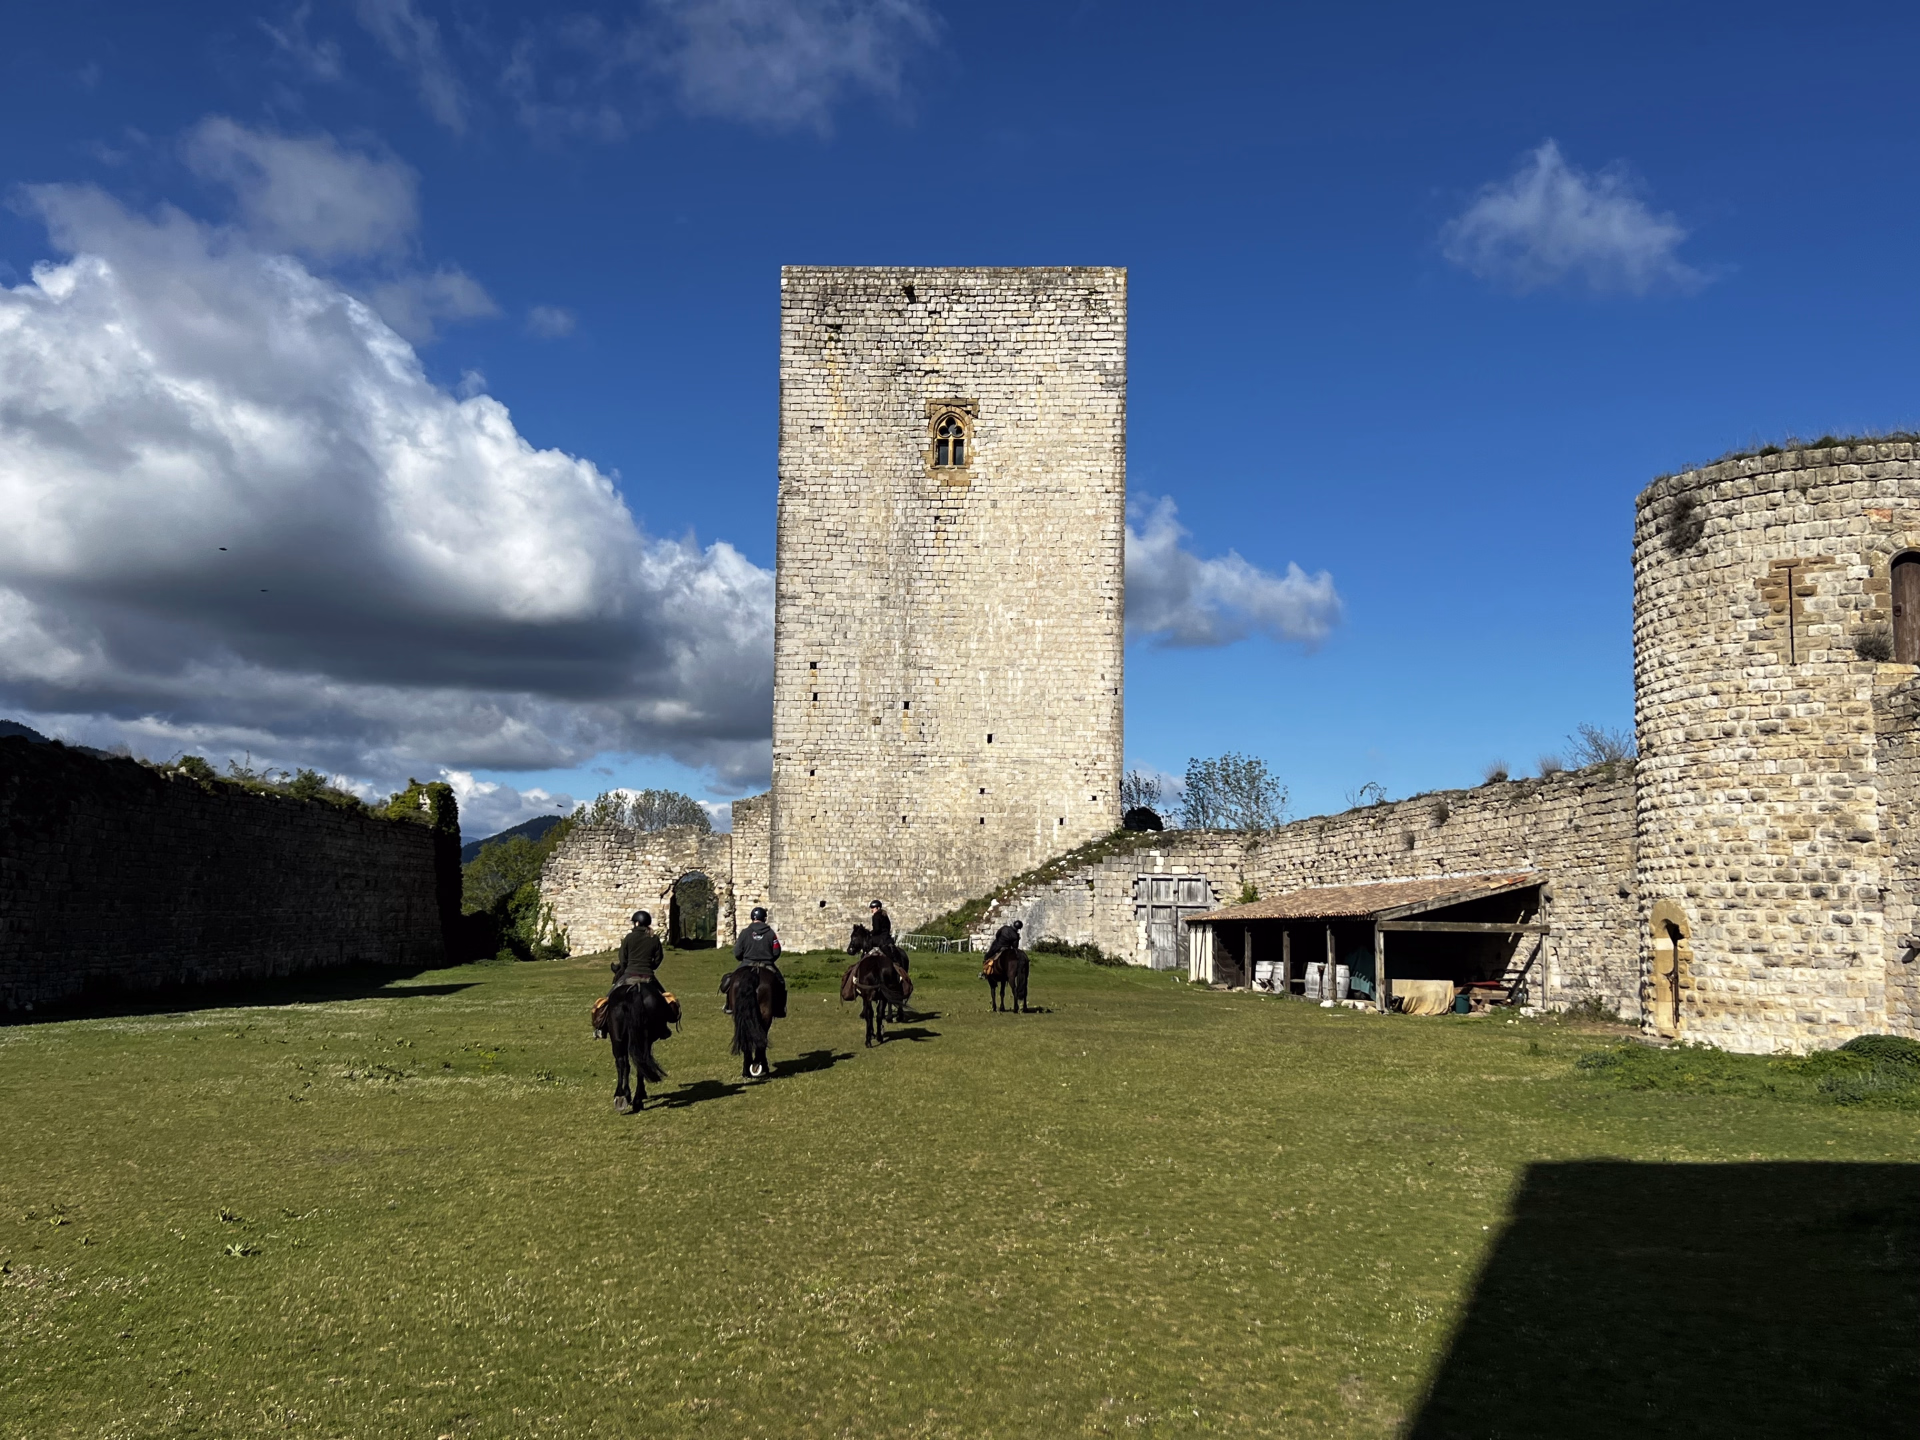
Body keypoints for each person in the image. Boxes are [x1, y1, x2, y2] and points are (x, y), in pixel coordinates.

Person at [733, 906, 787, 1019]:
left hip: (746, 963)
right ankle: (780, 1008)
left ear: (752, 917)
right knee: (781, 983)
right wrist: (769, 959)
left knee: (731, 981)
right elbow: (776, 951)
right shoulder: (771, 933)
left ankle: (729, 1006)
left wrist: (744, 958)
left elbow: (737, 952)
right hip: (767, 964)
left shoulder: (744, 933)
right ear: (764, 918)